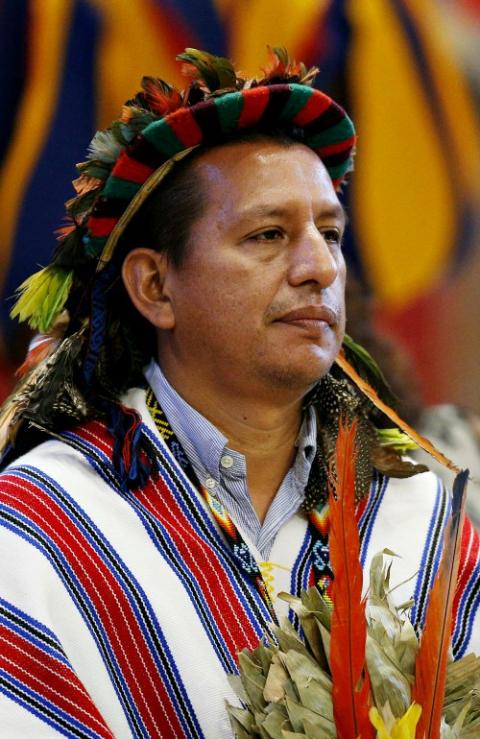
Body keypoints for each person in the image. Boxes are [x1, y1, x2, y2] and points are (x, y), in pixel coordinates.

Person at [0, 48, 478, 738]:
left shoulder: (421, 512)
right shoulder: (45, 528)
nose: (319, 266)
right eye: (268, 234)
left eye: (331, 233)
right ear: (155, 286)